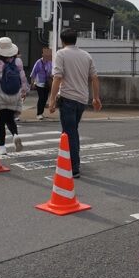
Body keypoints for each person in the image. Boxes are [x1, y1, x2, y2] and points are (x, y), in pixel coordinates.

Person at [47, 29, 101, 178]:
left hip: (68, 98)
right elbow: (95, 78)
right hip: (82, 100)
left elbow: (57, 78)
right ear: (76, 39)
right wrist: (96, 98)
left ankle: (73, 166)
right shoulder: (86, 55)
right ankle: (66, 160)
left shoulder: (61, 54)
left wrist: (52, 100)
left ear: (62, 41)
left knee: (69, 133)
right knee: (71, 131)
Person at [0, 37, 27, 155]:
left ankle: (2, 148)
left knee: (1, 122)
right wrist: (24, 91)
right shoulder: (18, 62)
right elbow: (23, 78)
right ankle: (15, 135)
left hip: (0, 96)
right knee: (10, 119)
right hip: (14, 95)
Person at [29, 47, 53, 120]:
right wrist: (32, 83)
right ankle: (39, 114)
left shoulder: (50, 62)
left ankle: (41, 113)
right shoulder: (38, 62)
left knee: (45, 98)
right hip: (39, 83)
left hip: (47, 83)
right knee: (41, 98)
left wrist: (52, 76)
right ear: (42, 54)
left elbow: (51, 71)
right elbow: (33, 73)